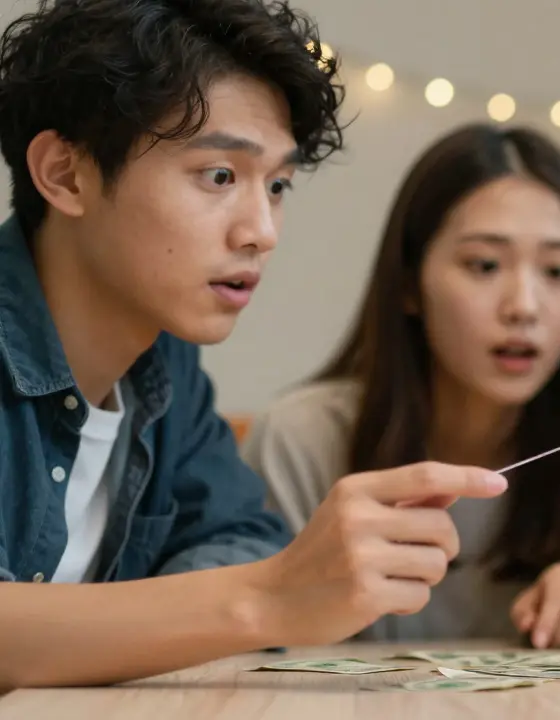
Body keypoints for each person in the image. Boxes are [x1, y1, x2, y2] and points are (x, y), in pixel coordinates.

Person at [0, 0, 508, 690]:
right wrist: (266, 598)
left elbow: (240, 536)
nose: (262, 230)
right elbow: (256, 578)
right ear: (65, 173)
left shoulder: (162, 364)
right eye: (219, 177)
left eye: (277, 185)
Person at [240, 122, 560, 650]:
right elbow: (250, 651)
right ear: (411, 286)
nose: (524, 306)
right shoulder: (299, 441)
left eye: (558, 271)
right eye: (484, 265)